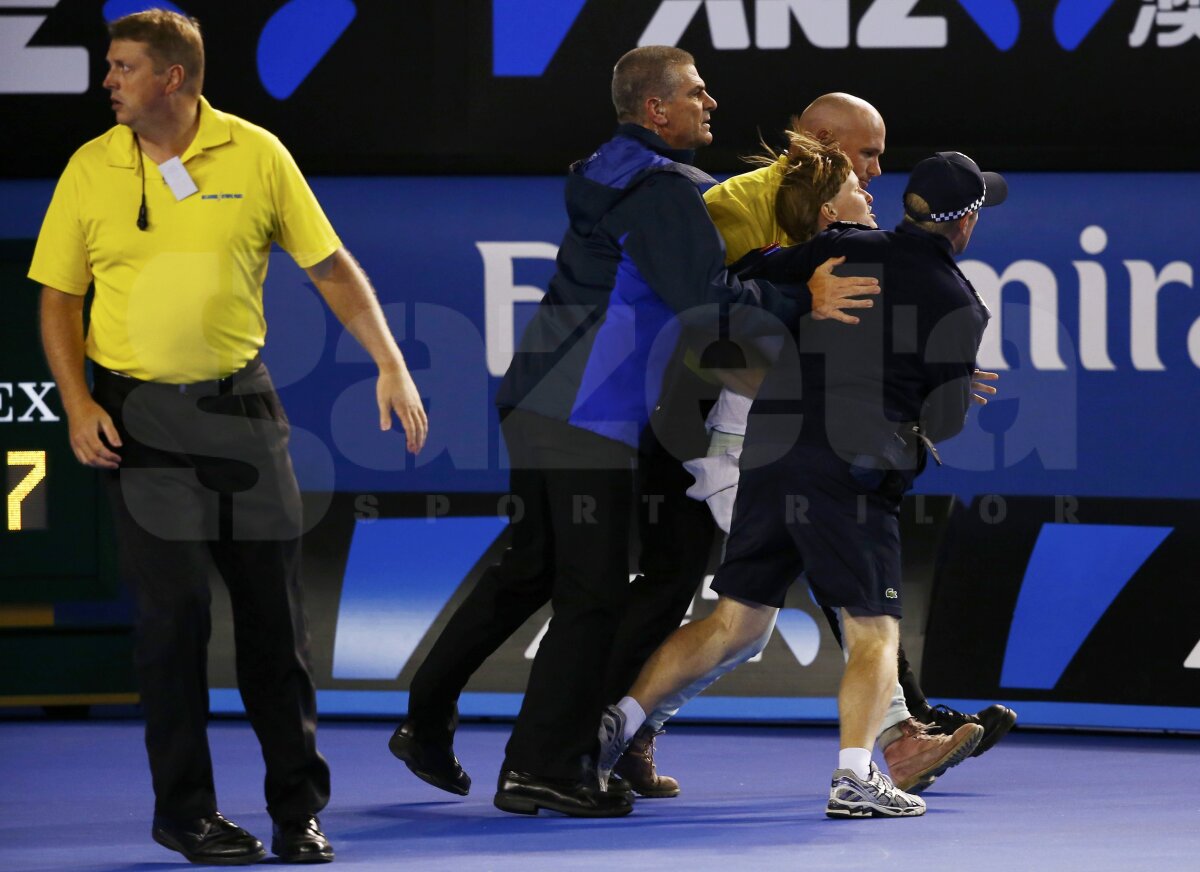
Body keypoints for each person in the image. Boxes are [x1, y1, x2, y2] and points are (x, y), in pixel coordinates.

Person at [389, 45, 878, 819]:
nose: (710, 103)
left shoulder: (611, 167)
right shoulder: (665, 190)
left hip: (541, 397)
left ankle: (427, 720)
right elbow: (707, 301)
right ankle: (542, 766)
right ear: (656, 109)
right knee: (588, 596)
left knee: (532, 573)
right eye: (696, 93)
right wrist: (804, 297)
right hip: (590, 409)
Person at [30, 10, 427, 865]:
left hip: (243, 414)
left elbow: (329, 267)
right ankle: (185, 814)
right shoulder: (89, 167)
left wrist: (390, 364)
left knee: (274, 627)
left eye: (124, 67)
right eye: (111, 65)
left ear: (173, 77)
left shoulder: (257, 153)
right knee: (170, 622)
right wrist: (77, 403)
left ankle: (297, 812)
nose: (108, 80)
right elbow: (59, 296)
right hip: (137, 422)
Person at [598, 150, 1006, 818]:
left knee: (734, 621)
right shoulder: (960, 302)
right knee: (874, 630)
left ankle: (609, 729)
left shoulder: (841, 245)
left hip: (770, 453)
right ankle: (854, 776)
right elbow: (946, 421)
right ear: (963, 226)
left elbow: (747, 271)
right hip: (852, 467)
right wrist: (945, 388)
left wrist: (810, 300)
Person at [700, 95, 1015, 789]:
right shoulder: (752, 211)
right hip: (744, 427)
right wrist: (803, 295)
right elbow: (711, 298)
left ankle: (909, 731)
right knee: (828, 607)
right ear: (822, 145)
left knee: (793, 609)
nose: (875, 173)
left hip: (792, 433)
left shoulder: (850, 229)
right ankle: (897, 744)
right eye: (864, 157)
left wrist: (938, 372)